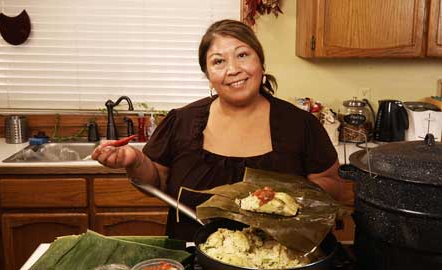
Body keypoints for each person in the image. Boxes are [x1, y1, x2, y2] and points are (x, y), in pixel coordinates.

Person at [91, 19, 354, 241]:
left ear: (260, 62)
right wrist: (135, 161)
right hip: (194, 254)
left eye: (242, 55)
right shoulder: (181, 121)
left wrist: (291, 198)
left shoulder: (300, 124)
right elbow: (156, 183)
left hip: (279, 259)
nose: (233, 69)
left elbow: (335, 186)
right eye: (218, 61)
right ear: (207, 74)